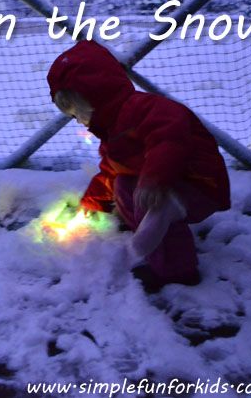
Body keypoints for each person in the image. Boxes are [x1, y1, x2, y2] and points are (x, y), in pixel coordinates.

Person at [47, 40, 230, 292]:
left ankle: (178, 270)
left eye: (78, 112)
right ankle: (152, 234)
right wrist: (90, 203)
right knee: (123, 184)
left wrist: (154, 180)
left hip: (198, 184)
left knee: (154, 203)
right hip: (167, 183)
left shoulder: (145, 110)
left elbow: (169, 140)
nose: (78, 121)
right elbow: (111, 172)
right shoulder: (111, 133)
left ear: (97, 98)